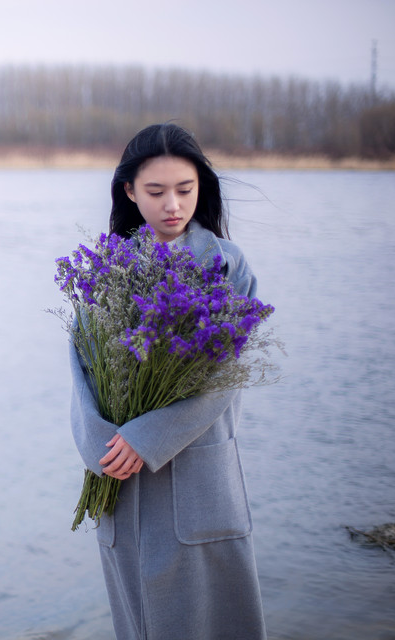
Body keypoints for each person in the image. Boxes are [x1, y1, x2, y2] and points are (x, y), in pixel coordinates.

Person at [69, 123, 266, 639]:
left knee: (215, 620)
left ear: (202, 187)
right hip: (120, 477)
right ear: (130, 192)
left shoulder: (226, 264)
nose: (172, 205)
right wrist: (102, 449)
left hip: (198, 474)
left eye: (185, 189)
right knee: (138, 622)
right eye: (156, 191)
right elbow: (83, 368)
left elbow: (224, 376)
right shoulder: (107, 267)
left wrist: (147, 436)